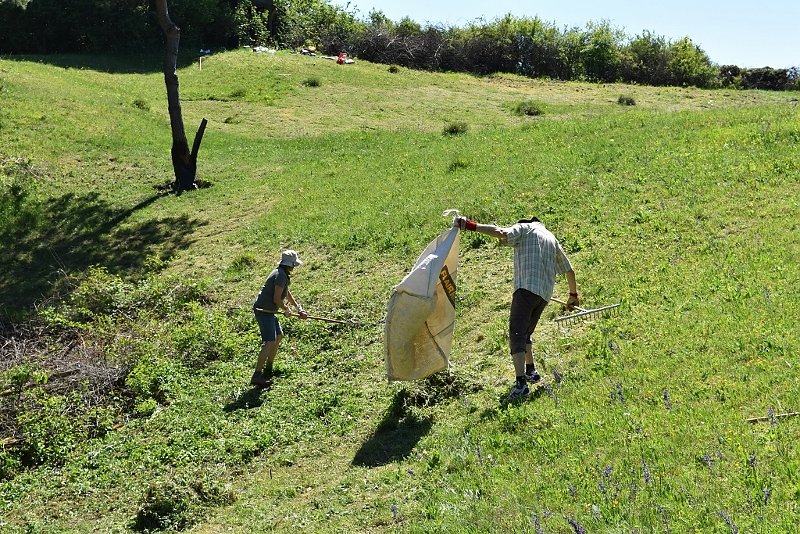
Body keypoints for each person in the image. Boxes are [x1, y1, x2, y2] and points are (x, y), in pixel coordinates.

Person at [454, 215, 579, 400]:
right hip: (543, 294)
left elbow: (500, 232)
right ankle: (531, 371)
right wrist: (573, 295)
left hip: (526, 289)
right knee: (526, 333)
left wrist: (469, 225)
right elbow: (569, 269)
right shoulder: (551, 237)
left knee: (517, 334)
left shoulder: (524, 229)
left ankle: (521, 384)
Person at [251, 250, 308, 387]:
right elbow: (277, 299)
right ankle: (257, 375)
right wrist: (286, 309)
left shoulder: (282, 274)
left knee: (279, 336)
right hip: (264, 311)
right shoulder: (280, 275)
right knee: (270, 341)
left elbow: (286, 293)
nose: (294, 268)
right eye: (293, 265)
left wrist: (299, 308)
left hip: (270, 311)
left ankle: (268, 368)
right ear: (289, 265)